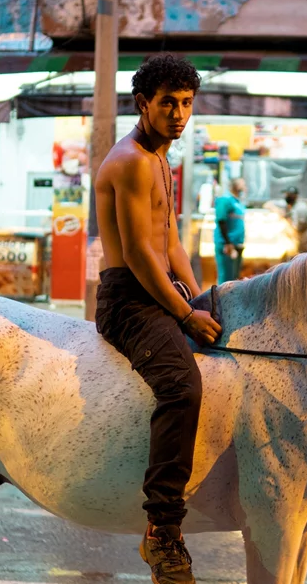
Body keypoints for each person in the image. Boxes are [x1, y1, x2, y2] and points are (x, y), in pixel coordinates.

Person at [93, 52, 221, 584]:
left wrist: (201, 296)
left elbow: (171, 242)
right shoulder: (128, 161)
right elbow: (143, 255)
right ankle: (162, 531)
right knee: (181, 386)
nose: (179, 113)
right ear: (143, 103)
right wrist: (185, 314)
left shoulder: (161, 158)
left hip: (159, 291)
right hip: (127, 300)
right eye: (168, 102)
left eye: (187, 103)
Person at [265, 186, 307, 254]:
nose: (287, 196)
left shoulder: (301, 208)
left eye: (290, 195)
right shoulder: (288, 204)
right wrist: (278, 210)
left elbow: (297, 229)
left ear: (296, 196)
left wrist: (285, 217)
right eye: (287, 194)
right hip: (300, 242)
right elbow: (268, 204)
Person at [213, 177, 246, 284]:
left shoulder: (238, 202)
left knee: (234, 279)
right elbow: (221, 221)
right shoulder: (225, 199)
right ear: (235, 185)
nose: (245, 187)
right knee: (225, 280)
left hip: (237, 245)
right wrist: (228, 243)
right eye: (242, 184)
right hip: (227, 246)